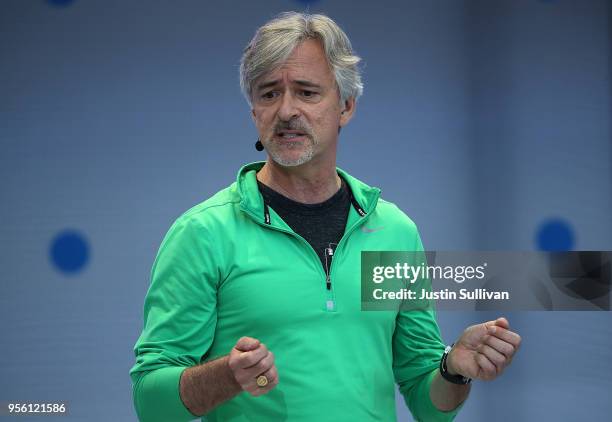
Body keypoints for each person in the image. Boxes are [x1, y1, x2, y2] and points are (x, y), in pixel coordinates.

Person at [130, 11, 521, 422]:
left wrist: (453, 370)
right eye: (268, 94)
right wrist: (227, 376)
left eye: (306, 92)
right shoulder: (202, 233)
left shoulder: (395, 231)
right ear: (253, 113)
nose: (286, 111)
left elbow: (428, 404)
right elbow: (151, 403)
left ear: (346, 106)